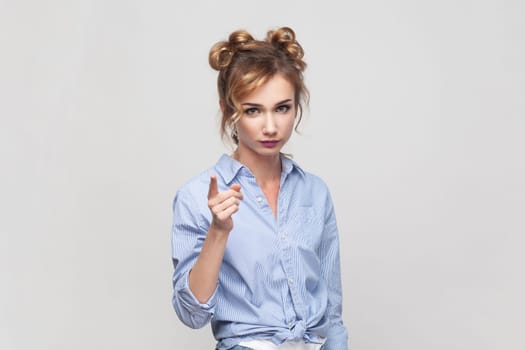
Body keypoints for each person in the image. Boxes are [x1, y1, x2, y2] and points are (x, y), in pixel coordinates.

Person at [171, 26, 349, 350]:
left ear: (297, 106)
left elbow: (331, 309)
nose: (270, 126)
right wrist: (219, 231)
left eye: (282, 108)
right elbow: (191, 313)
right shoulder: (196, 197)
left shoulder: (315, 193)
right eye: (253, 110)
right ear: (229, 112)